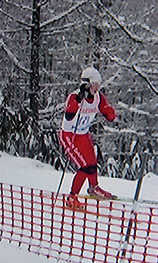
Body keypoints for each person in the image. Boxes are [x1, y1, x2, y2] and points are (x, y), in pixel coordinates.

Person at [59, 67, 116, 209]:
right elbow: (69, 115)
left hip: (83, 134)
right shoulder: (74, 97)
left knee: (92, 162)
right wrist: (79, 99)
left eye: (98, 84)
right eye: (94, 84)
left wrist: (109, 113)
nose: (97, 87)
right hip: (69, 135)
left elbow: (109, 114)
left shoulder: (98, 97)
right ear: (86, 84)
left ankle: (93, 187)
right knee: (84, 167)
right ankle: (72, 197)